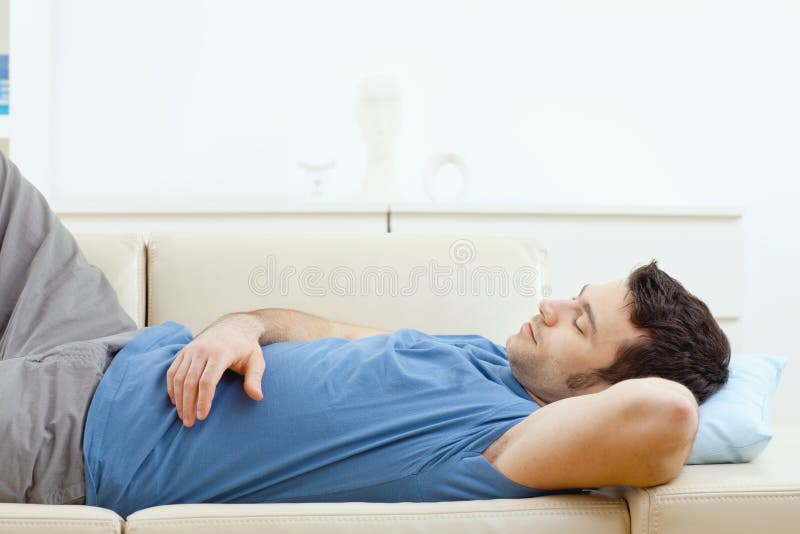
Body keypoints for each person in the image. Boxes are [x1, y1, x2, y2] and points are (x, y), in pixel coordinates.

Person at [0, 151, 730, 517]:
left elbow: (665, 413)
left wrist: (688, 366)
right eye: (572, 297)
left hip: (71, 435)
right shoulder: (480, 358)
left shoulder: (509, 443)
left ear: (605, 386)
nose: (548, 307)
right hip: (107, 341)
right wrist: (243, 324)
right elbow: (314, 328)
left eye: (580, 321)